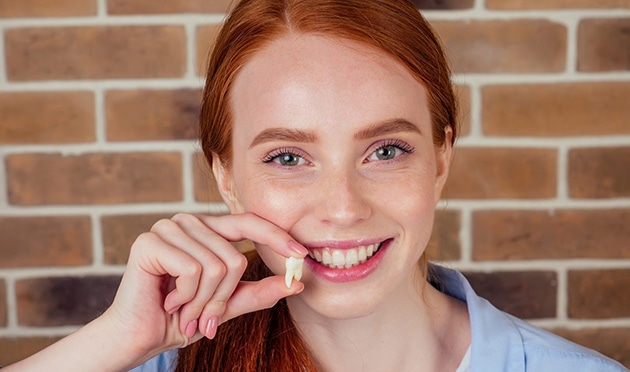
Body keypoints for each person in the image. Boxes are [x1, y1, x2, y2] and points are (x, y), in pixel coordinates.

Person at [5, 0, 628, 371]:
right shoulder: (156, 361)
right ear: (226, 177)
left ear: (441, 159)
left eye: (386, 150)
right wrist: (118, 341)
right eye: (287, 157)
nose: (342, 207)